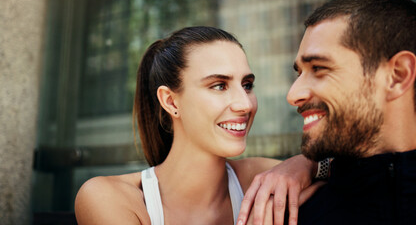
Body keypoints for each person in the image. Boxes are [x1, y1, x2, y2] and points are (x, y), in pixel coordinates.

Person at [237, 0, 416, 225]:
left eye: (319, 68)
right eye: (299, 73)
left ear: (397, 76)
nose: (293, 95)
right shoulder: (287, 214)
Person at [74, 26, 319, 225]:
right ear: (170, 101)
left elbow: (352, 170)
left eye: (247, 85)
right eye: (219, 86)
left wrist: (305, 164)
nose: (245, 104)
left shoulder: (263, 179)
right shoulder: (109, 197)